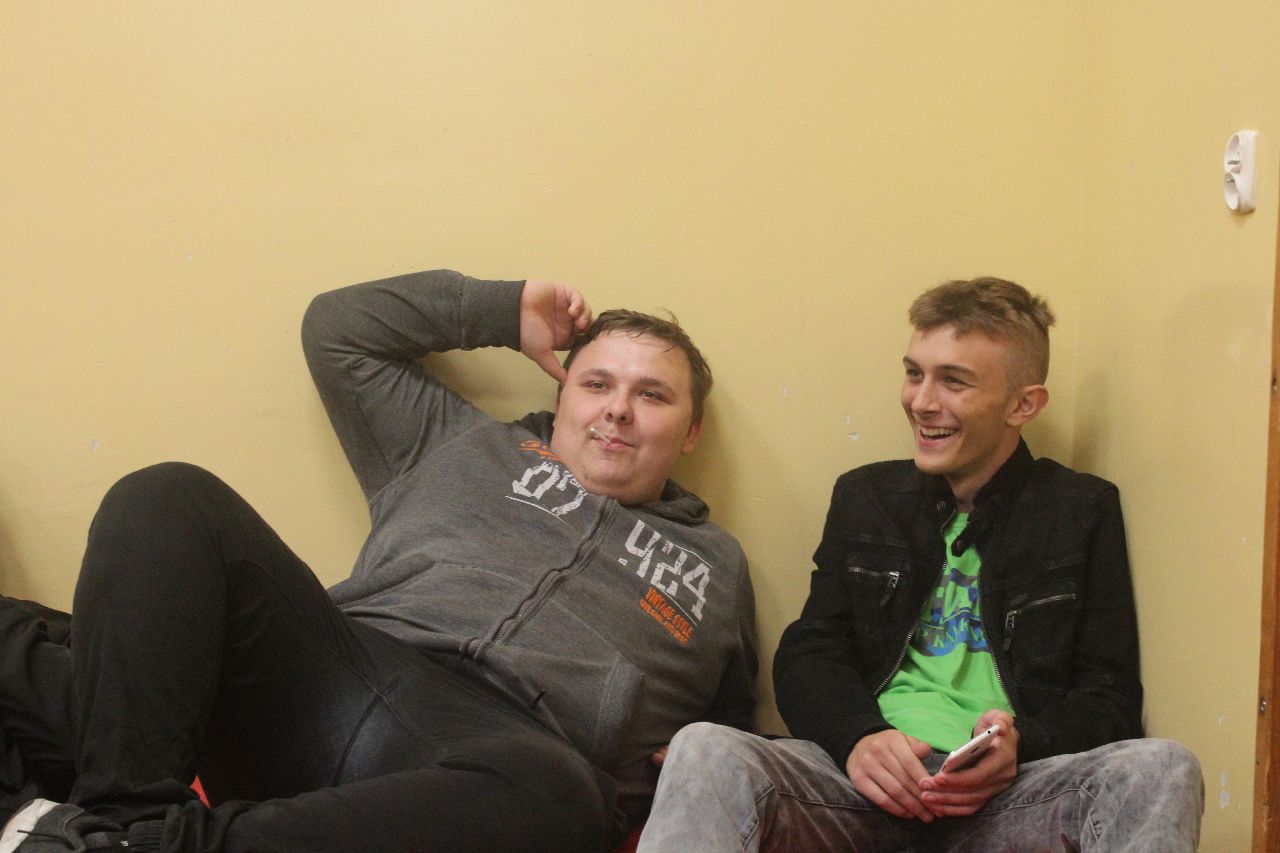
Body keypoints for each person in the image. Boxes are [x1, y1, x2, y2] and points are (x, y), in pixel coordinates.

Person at [0, 269, 756, 853]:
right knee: (169, 496)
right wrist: (500, 310)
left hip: (493, 760)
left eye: (652, 395)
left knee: (562, 796)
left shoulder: (718, 570)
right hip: (330, 678)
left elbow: (726, 738)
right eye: (596, 383)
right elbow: (337, 331)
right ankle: (126, 823)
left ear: (690, 431)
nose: (618, 408)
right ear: (562, 398)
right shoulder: (456, 440)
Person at [638, 277, 1203, 852]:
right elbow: (812, 651)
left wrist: (1020, 746)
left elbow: (1109, 698)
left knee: (1162, 766)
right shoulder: (868, 497)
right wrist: (859, 739)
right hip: (861, 787)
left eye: (953, 381)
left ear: (1023, 404)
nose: (921, 401)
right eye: (914, 374)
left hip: (1010, 796)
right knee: (704, 745)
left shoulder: (1080, 509)